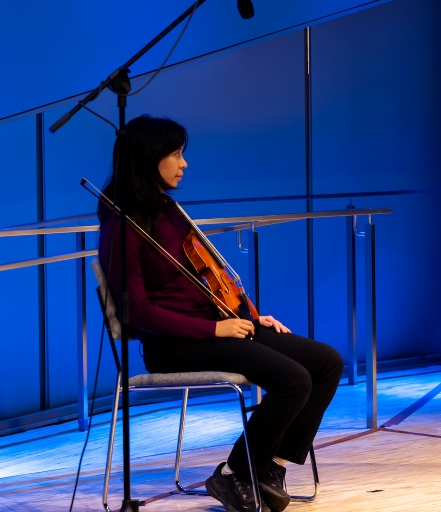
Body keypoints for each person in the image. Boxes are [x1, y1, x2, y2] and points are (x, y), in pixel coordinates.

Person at [98, 115, 344, 512]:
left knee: (326, 362)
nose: (184, 163)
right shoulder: (121, 227)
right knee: (293, 380)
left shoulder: (168, 209)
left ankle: (269, 468)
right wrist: (214, 330)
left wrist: (248, 314)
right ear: (147, 157)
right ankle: (233, 474)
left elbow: (210, 276)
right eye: (176, 154)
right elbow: (137, 312)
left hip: (216, 327)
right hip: (173, 344)